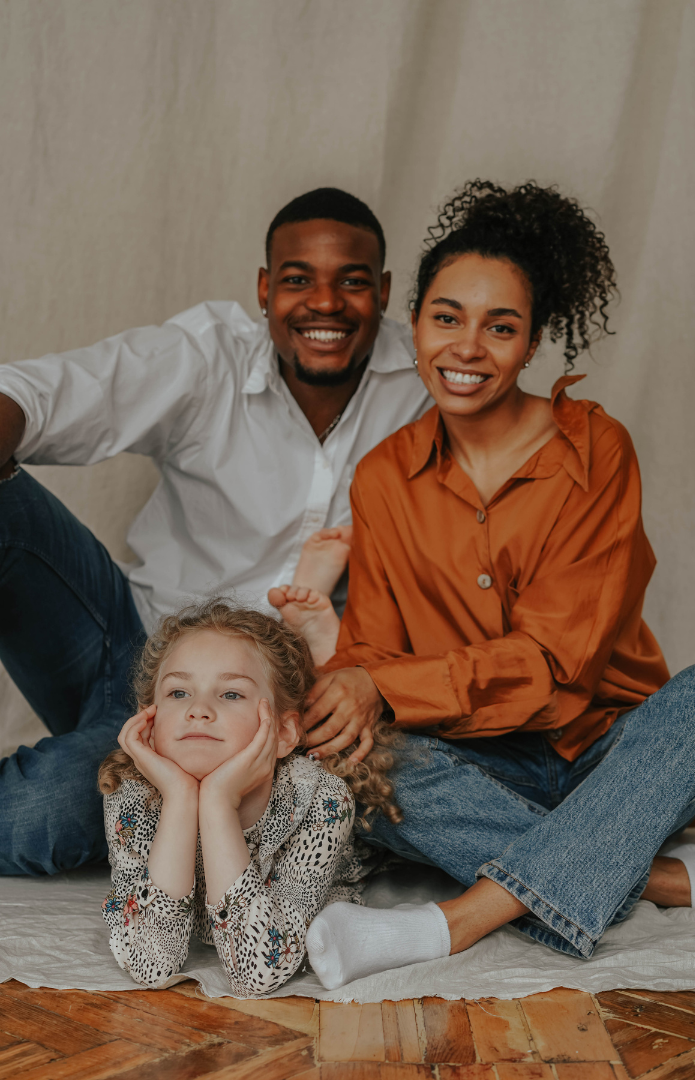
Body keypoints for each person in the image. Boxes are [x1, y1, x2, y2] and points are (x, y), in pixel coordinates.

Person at [273, 180, 695, 988]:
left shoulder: (596, 448)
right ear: (415, 322)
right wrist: (353, 685)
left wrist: (379, 685)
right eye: (446, 319)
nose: (466, 349)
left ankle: (450, 923)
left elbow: (555, 663)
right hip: (472, 759)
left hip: (603, 744)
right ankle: (654, 876)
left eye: (498, 328)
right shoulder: (384, 476)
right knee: (349, 767)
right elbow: (372, 655)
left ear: (531, 343)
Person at [0, 187, 430, 876]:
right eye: (296, 280)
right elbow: (41, 393)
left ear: (381, 293)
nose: (324, 304)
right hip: (131, 650)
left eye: (350, 282)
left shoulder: (428, 385)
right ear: (265, 289)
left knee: (36, 818)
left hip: (267, 708)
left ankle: (130, 778)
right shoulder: (208, 356)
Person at [99, 599, 399, 997]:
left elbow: (257, 973)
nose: (199, 710)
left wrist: (219, 802)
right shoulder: (130, 794)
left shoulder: (320, 799)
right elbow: (152, 964)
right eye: (178, 692)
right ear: (148, 724)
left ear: (283, 733)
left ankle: (329, 654)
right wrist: (181, 797)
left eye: (231, 695)